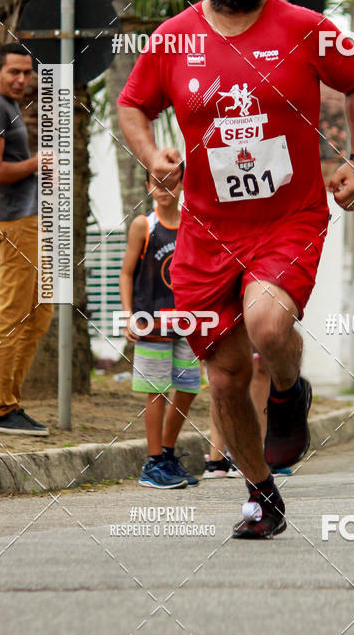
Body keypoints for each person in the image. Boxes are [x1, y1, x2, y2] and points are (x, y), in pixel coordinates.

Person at [118, 0, 354, 538]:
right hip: (206, 231)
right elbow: (132, 104)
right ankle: (261, 493)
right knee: (226, 378)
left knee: (266, 323)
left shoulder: (308, 29)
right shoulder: (173, 39)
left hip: (289, 217)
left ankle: (289, 389)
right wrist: (154, 155)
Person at [0, 43, 52, 435]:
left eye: (27, 72)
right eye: (14, 72)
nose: (21, 79)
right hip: (16, 223)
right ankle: (1, 410)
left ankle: (12, 405)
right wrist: (40, 162)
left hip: (29, 218)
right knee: (13, 313)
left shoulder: (6, 105)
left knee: (40, 310)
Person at [120, 167, 200, 489]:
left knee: (188, 388)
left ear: (182, 184)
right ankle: (153, 463)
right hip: (151, 321)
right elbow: (127, 273)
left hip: (188, 321)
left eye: (172, 181)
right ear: (148, 185)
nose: (165, 187)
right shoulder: (144, 225)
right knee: (156, 391)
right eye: (158, 182)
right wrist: (129, 315)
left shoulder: (193, 225)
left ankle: (167, 453)